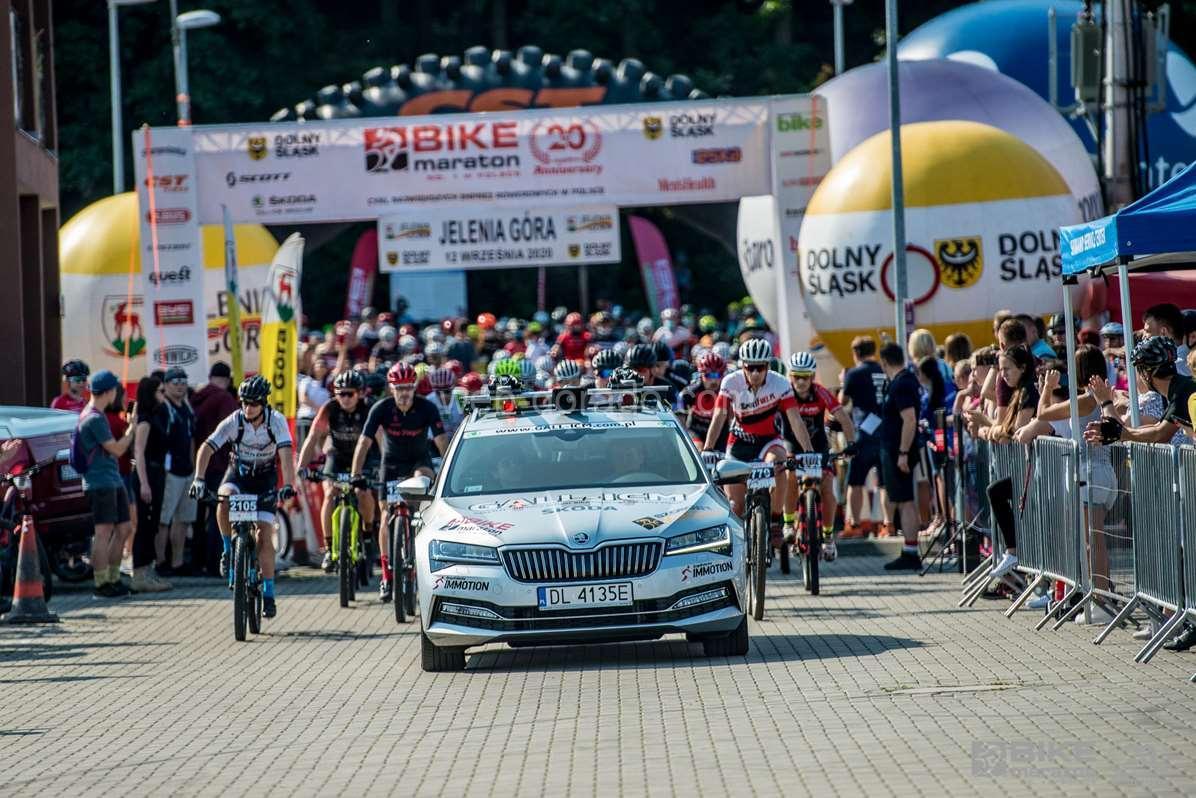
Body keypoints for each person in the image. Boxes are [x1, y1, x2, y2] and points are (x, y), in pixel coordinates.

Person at [189, 376, 297, 620]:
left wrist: (289, 485)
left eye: (254, 403)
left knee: (264, 536)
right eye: (245, 403)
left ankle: (268, 594)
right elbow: (207, 447)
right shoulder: (235, 420)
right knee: (223, 498)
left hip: (264, 479)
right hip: (238, 474)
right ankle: (228, 550)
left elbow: (286, 454)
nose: (248, 408)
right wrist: (199, 479)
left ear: (264, 403)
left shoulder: (276, 421)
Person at [352, 362, 448, 603]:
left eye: (408, 388)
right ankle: (386, 575)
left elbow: (441, 441)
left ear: (414, 387)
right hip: (392, 464)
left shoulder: (427, 408)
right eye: (399, 388)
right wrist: (355, 474)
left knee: (423, 495)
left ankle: (421, 558)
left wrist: (448, 472)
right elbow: (364, 442)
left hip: (418, 462)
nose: (404, 393)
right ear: (391, 388)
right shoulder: (381, 408)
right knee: (385, 514)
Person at [702, 339, 813, 532]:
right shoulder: (731, 381)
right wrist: (708, 449)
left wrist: (808, 451)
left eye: (760, 368)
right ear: (742, 366)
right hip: (739, 442)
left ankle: (776, 522)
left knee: (779, 465)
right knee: (736, 507)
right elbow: (719, 416)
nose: (755, 373)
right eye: (750, 367)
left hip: (768, 441)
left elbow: (795, 419)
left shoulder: (780, 383)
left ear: (768, 366)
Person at [297, 370, 379, 572]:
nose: (345, 398)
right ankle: (329, 548)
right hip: (338, 455)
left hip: (364, 457)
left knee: (363, 492)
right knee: (330, 493)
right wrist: (301, 468)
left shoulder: (369, 408)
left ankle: (368, 535)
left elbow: (382, 439)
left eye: (350, 394)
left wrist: (383, 467)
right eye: (341, 393)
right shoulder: (329, 408)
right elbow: (312, 438)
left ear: (360, 393)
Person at [970, 345, 1039, 579]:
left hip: (1035, 468)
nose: (1003, 375)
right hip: (1025, 466)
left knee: (996, 492)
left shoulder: (1028, 391)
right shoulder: (1017, 391)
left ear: (1023, 367)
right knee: (995, 491)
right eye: (1000, 370)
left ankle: (1014, 551)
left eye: (1007, 369)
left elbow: (1013, 431)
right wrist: (992, 430)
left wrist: (986, 428)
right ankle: (1014, 552)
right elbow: (1004, 429)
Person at [781, 351, 855, 561]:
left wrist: (851, 444)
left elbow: (843, 418)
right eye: (797, 376)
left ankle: (828, 537)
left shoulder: (821, 392)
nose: (801, 382)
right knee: (789, 478)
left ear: (812, 377)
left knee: (828, 486)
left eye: (805, 377)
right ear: (790, 376)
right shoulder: (785, 394)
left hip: (818, 446)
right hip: (792, 445)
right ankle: (788, 523)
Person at [78, 370, 137, 597]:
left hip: (112, 479)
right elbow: (117, 449)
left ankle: (113, 578)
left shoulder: (98, 415)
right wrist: (131, 430)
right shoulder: (93, 418)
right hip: (100, 482)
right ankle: (101, 583)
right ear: (109, 391)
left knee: (124, 528)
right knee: (103, 532)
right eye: (115, 389)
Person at [1085, 335, 1196, 445]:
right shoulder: (1181, 386)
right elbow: (1156, 427)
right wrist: (1119, 432)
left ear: (1146, 373)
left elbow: (1161, 434)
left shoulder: (1181, 392)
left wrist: (1119, 432)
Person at [877, 343, 923, 571]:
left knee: (905, 501)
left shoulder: (902, 383)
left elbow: (910, 419)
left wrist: (903, 453)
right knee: (903, 500)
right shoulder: (900, 381)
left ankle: (911, 552)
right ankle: (909, 549)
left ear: (885, 362)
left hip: (899, 451)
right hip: (895, 450)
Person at [190, 362, 239, 576]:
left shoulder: (195, 398)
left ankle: (196, 562)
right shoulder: (225, 399)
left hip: (197, 465)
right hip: (219, 464)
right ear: (227, 380)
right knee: (218, 515)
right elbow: (234, 434)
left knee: (197, 517)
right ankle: (215, 564)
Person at [839, 336, 888, 538]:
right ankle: (888, 524)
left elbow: (842, 401)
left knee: (855, 481)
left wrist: (843, 381)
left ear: (856, 353)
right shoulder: (883, 370)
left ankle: (855, 524)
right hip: (885, 431)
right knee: (884, 483)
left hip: (863, 433)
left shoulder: (854, 373)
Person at [131, 377, 171, 592]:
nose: (163, 395)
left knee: (153, 523)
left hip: (158, 472)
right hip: (147, 473)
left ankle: (148, 569)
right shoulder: (145, 420)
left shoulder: (158, 414)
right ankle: (139, 573)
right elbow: (139, 452)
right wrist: (144, 483)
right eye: (160, 391)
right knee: (145, 525)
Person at [157, 367, 197, 576]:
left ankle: (177, 562)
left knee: (184, 519)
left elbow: (192, 440)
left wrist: (194, 467)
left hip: (187, 471)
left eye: (183, 381)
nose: (180, 385)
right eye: (175, 382)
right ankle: (161, 562)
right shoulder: (164, 408)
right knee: (164, 520)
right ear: (166, 385)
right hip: (170, 472)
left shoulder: (187, 408)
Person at [682, 351, 727, 449]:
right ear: (701, 374)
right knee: (698, 448)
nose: (713, 381)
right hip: (696, 431)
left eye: (717, 375)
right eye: (708, 375)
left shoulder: (728, 391)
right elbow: (681, 420)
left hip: (720, 433)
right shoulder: (691, 392)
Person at [1142, 303, 1189, 376]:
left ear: (1163, 332)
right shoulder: (1185, 361)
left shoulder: (1174, 368)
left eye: (1147, 331)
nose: (1143, 337)